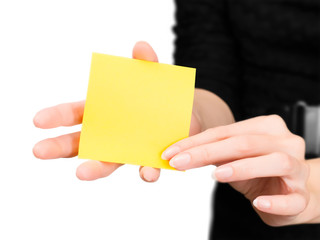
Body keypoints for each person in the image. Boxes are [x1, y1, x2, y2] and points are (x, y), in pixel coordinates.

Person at [33, 0, 320, 239]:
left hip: (277, 188)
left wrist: (311, 188)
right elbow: (214, 72)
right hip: (251, 197)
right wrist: (189, 115)